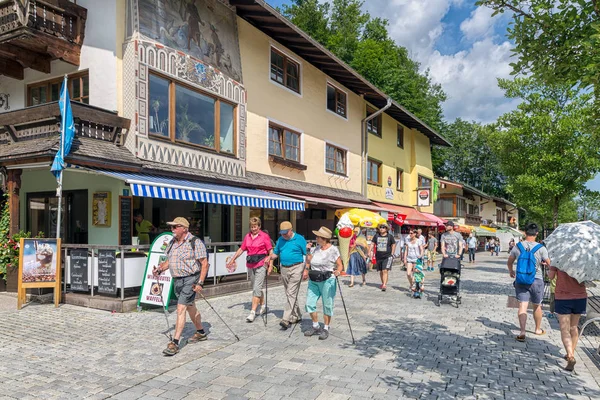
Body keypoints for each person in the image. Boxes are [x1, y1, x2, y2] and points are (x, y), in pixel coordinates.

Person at [153, 217, 209, 356]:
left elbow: (204, 263)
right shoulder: (171, 243)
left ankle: (175, 343)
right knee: (190, 307)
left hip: (191, 279)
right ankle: (201, 332)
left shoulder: (195, 242)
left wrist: (200, 282)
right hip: (177, 280)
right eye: (171, 227)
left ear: (184, 228)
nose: (172, 229)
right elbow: (170, 262)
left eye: (175, 227)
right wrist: (160, 269)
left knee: (181, 307)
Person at [507, 223, 550, 342]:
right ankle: (537, 329)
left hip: (521, 280)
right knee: (537, 306)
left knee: (522, 305)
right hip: (536, 280)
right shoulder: (541, 248)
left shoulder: (518, 246)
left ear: (525, 233)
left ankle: (522, 331)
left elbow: (509, 261)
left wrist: (511, 271)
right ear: (536, 234)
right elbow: (549, 263)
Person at [226, 217, 273, 323]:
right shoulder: (247, 236)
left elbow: (270, 251)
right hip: (250, 265)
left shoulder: (264, 236)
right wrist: (233, 259)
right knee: (256, 287)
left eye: (255, 227)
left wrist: (270, 264)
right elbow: (242, 249)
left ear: (259, 226)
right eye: (252, 227)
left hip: (261, 264)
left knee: (256, 288)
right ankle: (263, 304)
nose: (253, 229)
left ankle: (252, 312)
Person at [302, 227, 343, 340]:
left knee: (327, 304)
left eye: (318, 237)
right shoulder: (316, 249)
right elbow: (309, 261)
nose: (316, 238)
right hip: (314, 279)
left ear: (324, 239)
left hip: (327, 280)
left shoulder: (333, 250)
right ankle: (315, 326)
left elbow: (340, 264)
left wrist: (338, 271)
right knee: (309, 303)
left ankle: (325, 328)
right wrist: (306, 268)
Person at [265, 221, 307, 330]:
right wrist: (269, 258)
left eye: (285, 233)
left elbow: (306, 254)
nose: (283, 235)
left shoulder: (299, 239)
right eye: (282, 233)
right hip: (284, 268)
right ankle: (297, 315)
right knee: (290, 294)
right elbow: (276, 253)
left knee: (291, 292)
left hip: (297, 267)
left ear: (291, 230)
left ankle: (286, 319)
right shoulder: (280, 240)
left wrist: (306, 269)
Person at [548, 266, 587, 371]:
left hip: (563, 296)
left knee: (564, 328)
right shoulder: (583, 258)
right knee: (573, 327)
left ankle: (570, 355)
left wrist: (551, 269)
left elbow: (550, 277)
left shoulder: (559, 258)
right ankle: (571, 352)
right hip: (580, 296)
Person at [369, 223, 396, 292]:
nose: (381, 228)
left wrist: (392, 253)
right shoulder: (376, 236)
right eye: (380, 227)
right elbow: (372, 243)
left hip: (387, 256)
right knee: (381, 271)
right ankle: (383, 282)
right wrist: (369, 251)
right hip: (379, 256)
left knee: (385, 270)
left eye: (383, 227)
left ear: (386, 229)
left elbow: (393, 244)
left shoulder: (390, 236)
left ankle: (384, 284)